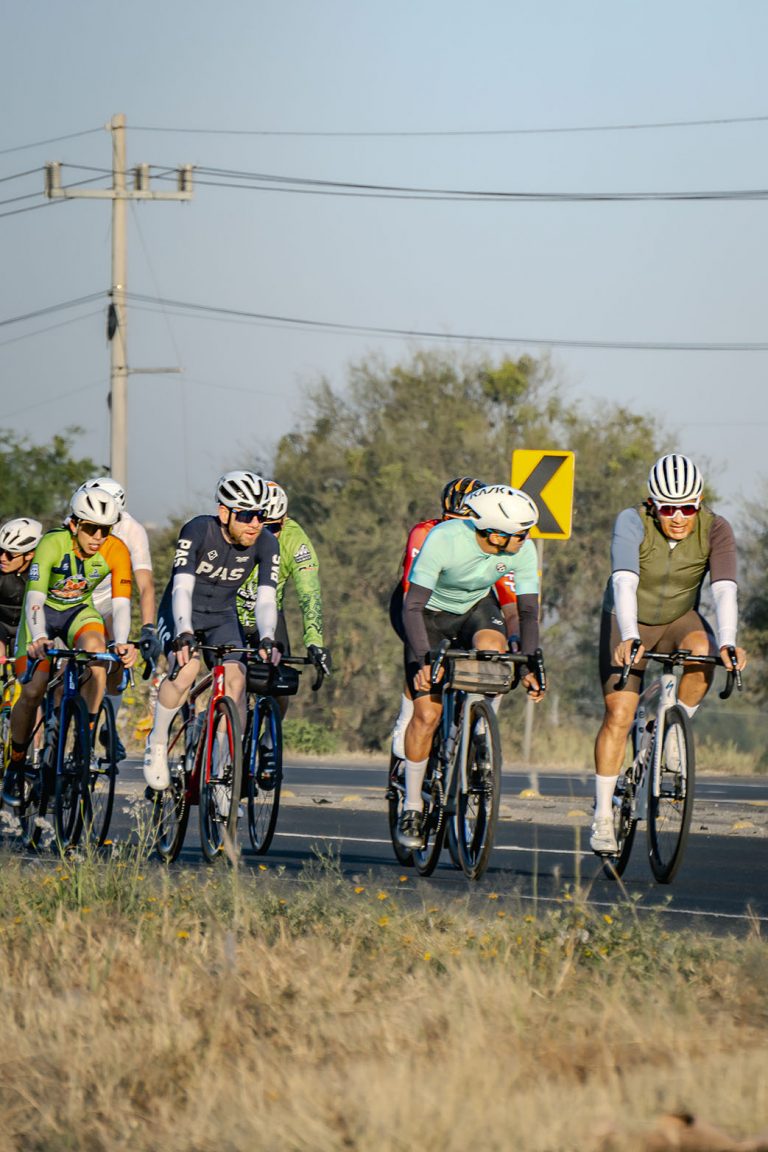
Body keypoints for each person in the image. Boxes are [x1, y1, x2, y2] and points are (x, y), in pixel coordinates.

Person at [590, 453, 748, 854]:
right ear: (651, 504)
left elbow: (725, 588)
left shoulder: (716, 528)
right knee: (619, 715)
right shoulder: (631, 522)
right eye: (667, 508)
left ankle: (671, 736)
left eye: (687, 507)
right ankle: (604, 817)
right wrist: (628, 635)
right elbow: (624, 581)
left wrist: (728, 640)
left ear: (699, 501)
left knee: (702, 649)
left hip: (679, 617)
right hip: (630, 619)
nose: (678, 517)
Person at [397, 483, 546, 849]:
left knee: (493, 649)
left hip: (474, 610)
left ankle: (473, 721)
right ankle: (413, 805)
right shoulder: (444, 539)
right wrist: (422, 659)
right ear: (494, 534)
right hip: (427, 613)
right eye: (520, 533)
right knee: (427, 715)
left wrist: (529, 664)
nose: (526, 539)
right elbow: (412, 606)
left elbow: (527, 612)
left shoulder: (521, 551)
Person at [143, 470, 280, 792]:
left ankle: (222, 768)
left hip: (222, 616)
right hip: (181, 611)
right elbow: (181, 588)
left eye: (261, 515)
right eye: (246, 515)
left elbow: (266, 598)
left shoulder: (266, 542)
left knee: (236, 680)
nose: (255, 523)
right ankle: (158, 741)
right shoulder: (198, 530)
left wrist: (267, 636)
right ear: (224, 512)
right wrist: (184, 633)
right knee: (187, 670)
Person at [3, 487, 136, 807]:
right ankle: (16, 762)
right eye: (91, 528)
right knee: (33, 690)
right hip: (42, 616)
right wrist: (37, 638)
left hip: (79, 612)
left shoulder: (116, 550)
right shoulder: (53, 543)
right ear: (75, 525)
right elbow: (34, 596)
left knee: (97, 657)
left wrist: (121, 643)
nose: (98, 537)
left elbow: (120, 605)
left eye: (105, 530)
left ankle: (83, 743)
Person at [388, 476, 520, 759]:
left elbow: (509, 599)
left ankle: (481, 723)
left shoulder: (494, 539)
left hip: (470, 604)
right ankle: (407, 713)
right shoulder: (426, 533)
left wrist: (515, 637)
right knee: (425, 667)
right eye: (449, 519)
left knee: (494, 651)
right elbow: (413, 591)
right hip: (423, 603)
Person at [78, 477, 161, 759]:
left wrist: (148, 628)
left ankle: (108, 723)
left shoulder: (132, 530)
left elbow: (146, 586)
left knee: (115, 654)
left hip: (110, 600)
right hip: (75, 598)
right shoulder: (77, 521)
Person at [237, 480, 331, 679]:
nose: (263, 536)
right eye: (259, 526)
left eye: (272, 528)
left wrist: (314, 642)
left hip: (268, 615)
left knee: (281, 682)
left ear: (285, 519)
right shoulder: (235, 534)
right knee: (230, 677)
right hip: (227, 613)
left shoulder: (296, 542)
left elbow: (309, 594)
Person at [0, 517, 44, 664]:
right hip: (1, 624)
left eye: (11, 554)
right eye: (1, 550)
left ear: (29, 554)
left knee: (25, 668)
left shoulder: (41, 573)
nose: (3, 558)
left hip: (26, 625)